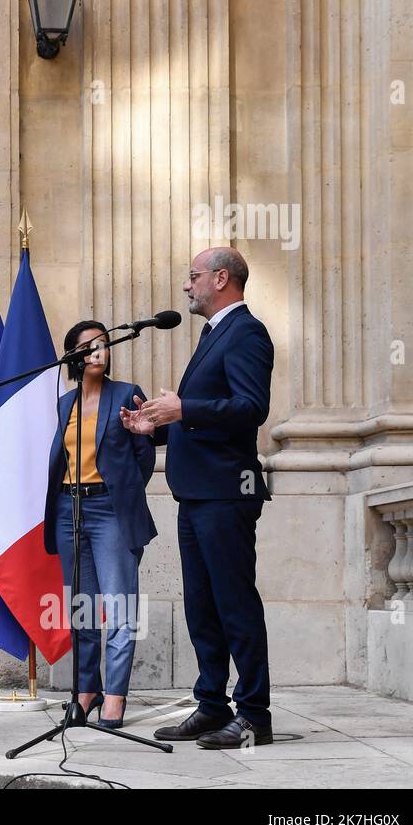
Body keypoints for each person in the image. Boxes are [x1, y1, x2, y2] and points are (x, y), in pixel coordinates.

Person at [120, 247, 275, 748]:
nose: (187, 286)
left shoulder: (246, 332)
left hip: (227, 493)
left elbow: (250, 408)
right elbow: (203, 420)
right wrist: (154, 426)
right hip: (196, 494)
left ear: (222, 278)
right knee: (201, 607)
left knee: (235, 605)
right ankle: (212, 705)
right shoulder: (213, 335)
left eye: (194, 276)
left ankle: (253, 715)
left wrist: (183, 406)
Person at [45, 322, 157, 729]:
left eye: (103, 344)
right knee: (83, 608)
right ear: (73, 355)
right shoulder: (65, 404)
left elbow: (143, 456)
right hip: (68, 510)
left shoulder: (127, 394)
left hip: (110, 510)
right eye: (88, 346)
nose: (98, 351)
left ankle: (115, 696)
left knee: (119, 606)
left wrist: (121, 495)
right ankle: (86, 690)